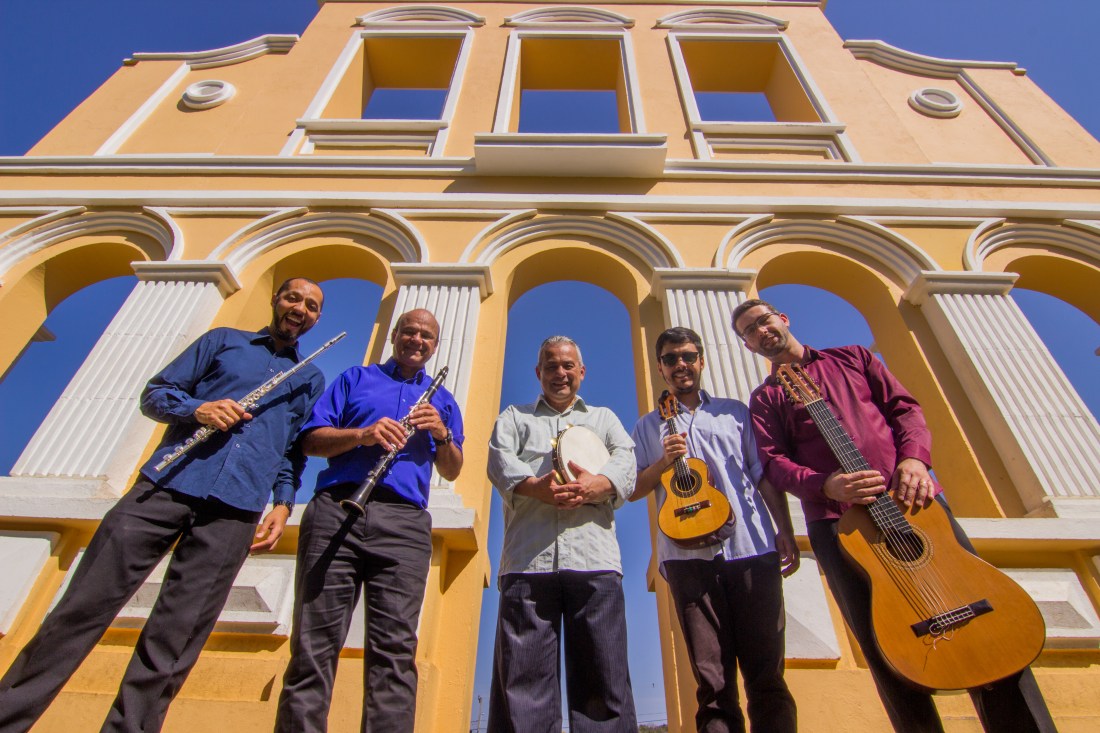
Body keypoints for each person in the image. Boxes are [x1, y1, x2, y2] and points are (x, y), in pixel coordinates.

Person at [0, 277, 326, 733]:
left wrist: (284, 503)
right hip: (164, 487)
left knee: (175, 640)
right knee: (81, 610)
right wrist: (198, 410)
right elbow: (156, 394)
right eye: (293, 298)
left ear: (316, 318)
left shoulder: (310, 378)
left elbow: (290, 450)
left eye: (312, 306)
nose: (300, 309)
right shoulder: (222, 341)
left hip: (235, 510)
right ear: (276, 300)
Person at [732, 298, 1057, 733]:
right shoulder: (766, 398)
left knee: (984, 621)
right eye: (749, 331)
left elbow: (905, 409)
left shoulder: (853, 358)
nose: (760, 331)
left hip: (914, 505)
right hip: (839, 525)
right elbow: (774, 463)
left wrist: (916, 460)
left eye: (763, 320)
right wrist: (825, 485)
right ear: (749, 346)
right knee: (885, 649)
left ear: (783, 318)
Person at [275, 308, 463, 733]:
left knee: (395, 652)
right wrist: (362, 435)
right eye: (409, 331)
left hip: (404, 524)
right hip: (336, 510)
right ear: (394, 334)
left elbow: (452, 469)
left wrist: (442, 434)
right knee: (313, 645)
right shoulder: (354, 379)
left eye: (427, 336)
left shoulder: (444, 401)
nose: (417, 340)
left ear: (435, 346)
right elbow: (311, 441)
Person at [631, 326, 799, 733]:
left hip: (751, 548)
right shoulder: (647, 427)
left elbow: (761, 475)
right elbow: (633, 488)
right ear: (660, 368)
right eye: (670, 359)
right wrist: (663, 463)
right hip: (686, 559)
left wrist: (785, 530)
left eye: (688, 356)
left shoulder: (735, 412)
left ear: (701, 361)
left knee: (767, 676)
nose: (680, 364)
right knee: (713, 684)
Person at [486, 335, 638, 733]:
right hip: (527, 562)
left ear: (581, 372)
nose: (560, 373)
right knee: (522, 682)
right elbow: (498, 461)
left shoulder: (604, 419)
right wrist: (534, 487)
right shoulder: (514, 417)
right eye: (551, 365)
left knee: (604, 678)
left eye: (568, 365)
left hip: (595, 561)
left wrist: (598, 484)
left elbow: (627, 460)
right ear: (538, 372)